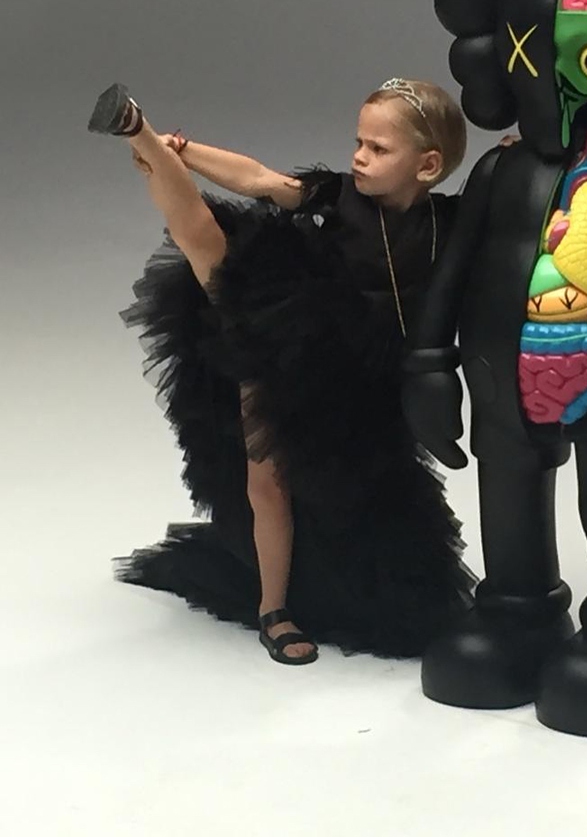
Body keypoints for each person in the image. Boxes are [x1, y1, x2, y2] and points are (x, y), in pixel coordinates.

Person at [88, 78, 475, 665]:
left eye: (378, 149)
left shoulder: (451, 222)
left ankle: (342, 582)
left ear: (428, 166)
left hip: (369, 380)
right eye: (359, 142)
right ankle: (274, 608)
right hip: (294, 345)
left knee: (369, 491)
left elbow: (504, 210)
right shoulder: (340, 196)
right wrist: (183, 151)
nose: (359, 157)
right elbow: (260, 180)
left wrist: (511, 157)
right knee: (267, 478)